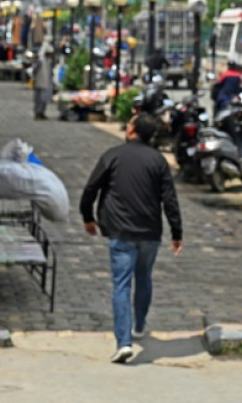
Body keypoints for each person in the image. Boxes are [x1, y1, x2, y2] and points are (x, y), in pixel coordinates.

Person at [80, 113, 183, 364]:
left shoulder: (113, 156)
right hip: (150, 232)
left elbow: (91, 188)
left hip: (120, 231)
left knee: (122, 285)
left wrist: (88, 217)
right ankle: (139, 325)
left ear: (132, 131)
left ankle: (124, 343)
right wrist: (176, 233)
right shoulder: (158, 160)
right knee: (144, 277)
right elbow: (169, 199)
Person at [32, 43, 54, 120]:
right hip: (40, 82)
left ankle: (42, 113)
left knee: (44, 100)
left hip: (46, 83)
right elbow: (34, 70)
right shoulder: (41, 61)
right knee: (39, 100)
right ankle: (38, 113)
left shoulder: (49, 61)